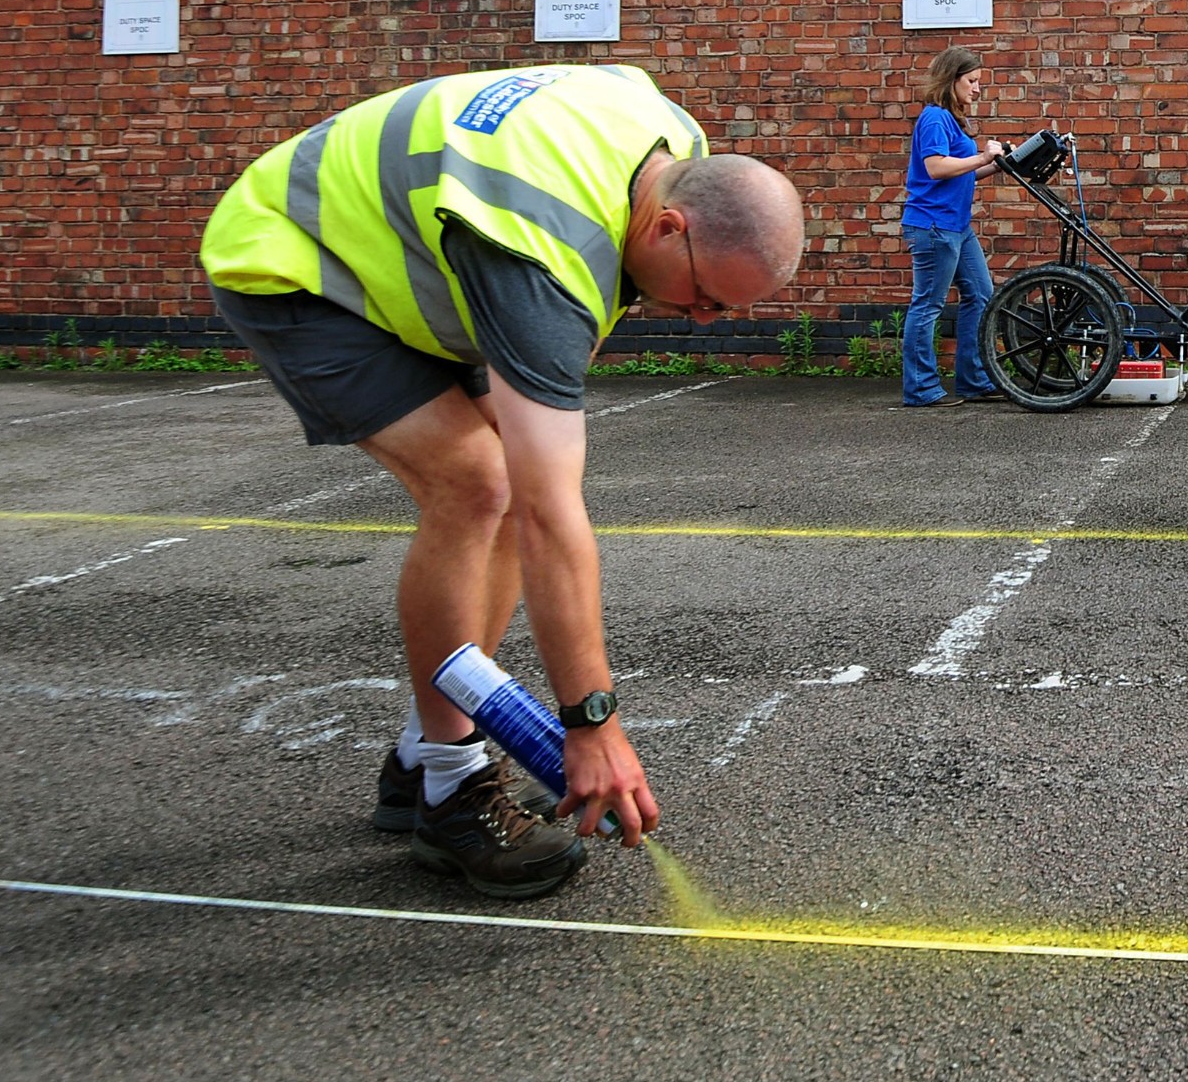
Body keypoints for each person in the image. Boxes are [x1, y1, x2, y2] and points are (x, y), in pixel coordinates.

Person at [199, 63, 804, 898]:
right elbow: (553, 517)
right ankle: (449, 790)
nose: (701, 320)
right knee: (479, 485)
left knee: (508, 482)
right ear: (668, 228)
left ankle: (421, 755)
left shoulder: (671, 140)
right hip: (297, 259)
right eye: (705, 298)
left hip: (423, 249)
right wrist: (589, 724)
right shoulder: (546, 254)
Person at [899, 46, 1004, 408]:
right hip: (933, 227)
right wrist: (983, 155)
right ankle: (921, 389)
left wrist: (998, 164)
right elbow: (936, 168)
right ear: (952, 79)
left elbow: (964, 172)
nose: (977, 89)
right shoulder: (934, 118)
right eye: (972, 81)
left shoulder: (951, 120)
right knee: (928, 305)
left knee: (981, 294)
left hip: (957, 226)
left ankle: (973, 381)